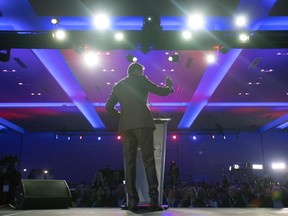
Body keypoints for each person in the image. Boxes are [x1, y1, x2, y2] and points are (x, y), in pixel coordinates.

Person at [105, 62, 174, 212]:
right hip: (143, 123)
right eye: (142, 71)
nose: (143, 73)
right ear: (137, 71)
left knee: (129, 164)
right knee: (149, 160)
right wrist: (169, 86)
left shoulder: (118, 85)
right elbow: (160, 92)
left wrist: (122, 116)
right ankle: (154, 201)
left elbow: (108, 107)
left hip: (126, 127)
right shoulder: (141, 79)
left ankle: (132, 202)